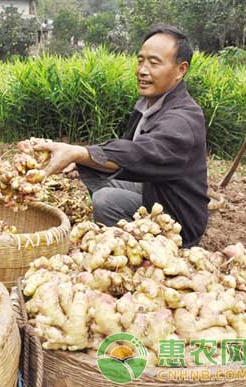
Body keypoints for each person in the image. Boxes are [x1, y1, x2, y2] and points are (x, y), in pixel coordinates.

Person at [35, 25, 209, 248]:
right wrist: (79, 157)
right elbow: (126, 150)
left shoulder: (183, 119)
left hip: (177, 219)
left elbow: (141, 153)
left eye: (154, 63)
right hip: (154, 188)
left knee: (106, 200)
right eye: (140, 61)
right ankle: (122, 228)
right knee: (92, 167)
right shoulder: (149, 105)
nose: (142, 70)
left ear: (180, 70)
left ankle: (134, 252)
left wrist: (80, 152)